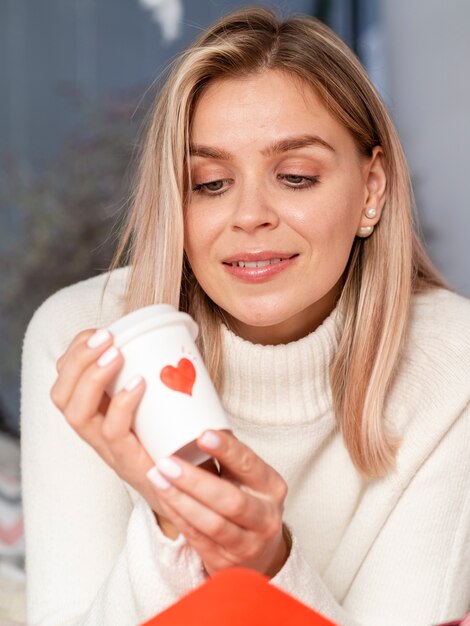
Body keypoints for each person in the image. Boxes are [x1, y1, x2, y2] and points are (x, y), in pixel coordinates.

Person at [20, 7, 470, 626]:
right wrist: (173, 523)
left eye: (295, 176)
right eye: (209, 184)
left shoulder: (455, 364)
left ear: (371, 190)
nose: (249, 215)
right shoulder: (81, 344)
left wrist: (265, 566)